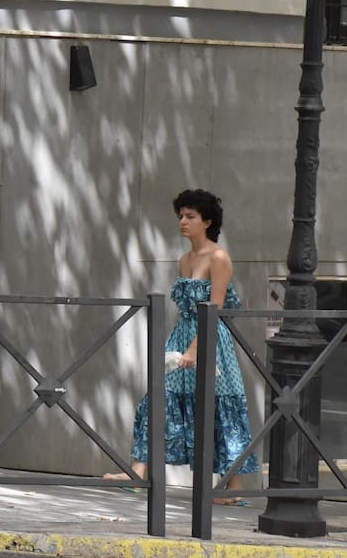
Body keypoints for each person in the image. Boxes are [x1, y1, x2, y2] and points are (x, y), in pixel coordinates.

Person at [104, 189, 259, 504]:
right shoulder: (185, 259)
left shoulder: (219, 257)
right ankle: (139, 471)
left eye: (190, 216)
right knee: (159, 399)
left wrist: (194, 350)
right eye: (181, 216)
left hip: (211, 339)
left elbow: (213, 311)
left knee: (220, 405)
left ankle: (233, 488)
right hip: (182, 335)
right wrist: (180, 346)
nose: (183, 222)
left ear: (207, 221)